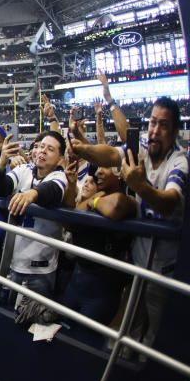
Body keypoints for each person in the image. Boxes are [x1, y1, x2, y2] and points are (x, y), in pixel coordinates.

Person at [71, 96, 188, 346]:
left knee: (156, 337)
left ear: (175, 130)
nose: (155, 130)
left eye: (163, 125)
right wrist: (84, 149)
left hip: (166, 268)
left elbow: (168, 203)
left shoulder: (180, 161)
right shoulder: (144, 146)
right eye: (153, 122)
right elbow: (112, 153)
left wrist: (140, 186)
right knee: (130, 331)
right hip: (138, 261)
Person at [0, 131, 70, 299]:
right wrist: (1, 163)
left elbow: (53, 191)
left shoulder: (60, 176)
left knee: (32, 316)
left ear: (60, 159)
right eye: (41, 146)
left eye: (50, 149)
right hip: (14, 261)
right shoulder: (24, 169)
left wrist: (32, 194)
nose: (42, 151)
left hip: (41, 267)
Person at [63, 166, 135, 345]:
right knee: (63, 328)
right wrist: (75, 190)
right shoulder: (88, 201)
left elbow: (117, 205)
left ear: (120, 174)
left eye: (106, 167)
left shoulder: (130, 200)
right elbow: (69, 222)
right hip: (78, 277)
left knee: (87, 341)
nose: (99, 172)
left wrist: (93, 202)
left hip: (101, 286)